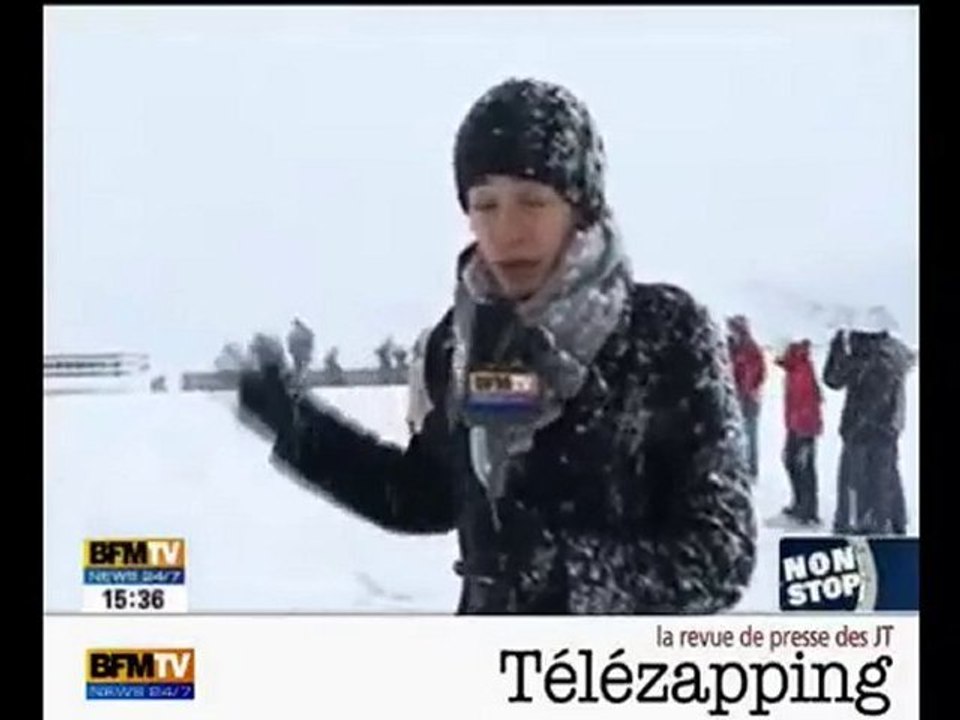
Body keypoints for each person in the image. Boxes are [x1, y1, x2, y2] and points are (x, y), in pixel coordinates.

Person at [225, 77, 756, 614]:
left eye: (533, 201)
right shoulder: (461, 340)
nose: (507, 230)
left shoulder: (664, 331)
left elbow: (721, 555)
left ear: (582, 209)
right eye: (485, 204)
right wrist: (299, 428)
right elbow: (423, 496)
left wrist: (565, 574)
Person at [823, 308, 913, 535]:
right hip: (887, 431)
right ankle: (893, 525)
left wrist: (837, 344)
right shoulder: (894, 352)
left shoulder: (867, 357)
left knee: (859, 490)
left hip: (861, 434)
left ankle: (862, 531)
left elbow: (833, 379)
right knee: (885, 483)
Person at [772, 339, 823, 526]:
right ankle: (801, 504)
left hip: (803, 428)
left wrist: (804, 430)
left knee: (802, 467)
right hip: (796, 426)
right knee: (793, 463)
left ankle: (807, 510)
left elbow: (808, 401)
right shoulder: (796, 369)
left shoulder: (801, 370)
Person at [726, 315, 766, 480]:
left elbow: (759, 373)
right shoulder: (730, 348)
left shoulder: (750, 349)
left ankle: (751, 469)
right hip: (736, 398)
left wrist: (750, 390)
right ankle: (739, 467)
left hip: (748, 400)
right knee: (736, 434)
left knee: (749, 435)